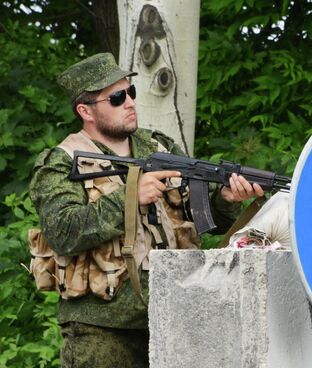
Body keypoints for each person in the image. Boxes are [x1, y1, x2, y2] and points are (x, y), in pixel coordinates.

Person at [29, 53, 264, 367]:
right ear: (85, 110)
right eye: (116, 97)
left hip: (175, 315)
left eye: (130, 92)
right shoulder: (62, 162)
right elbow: (62, 232)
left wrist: (225, 199)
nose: (129, 102)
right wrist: (129, 197)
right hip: (103, 332)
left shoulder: (158, 148)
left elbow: (202, 220)